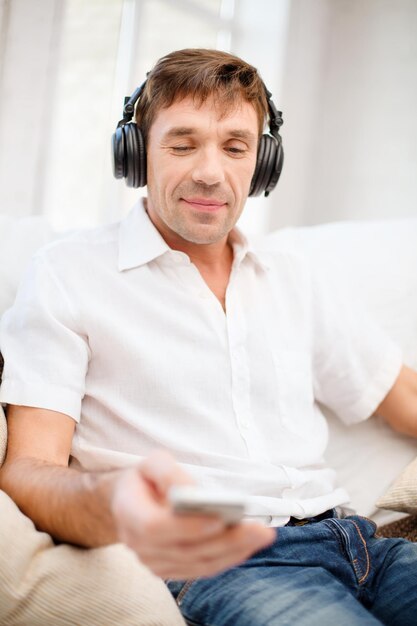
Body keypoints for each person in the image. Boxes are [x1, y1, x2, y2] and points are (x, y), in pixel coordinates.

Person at [0, 48, 416, 625]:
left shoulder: (291, 275)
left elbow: (405, 398)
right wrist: (107, 502)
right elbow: (27, 467)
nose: (210, 173)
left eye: (235, 147)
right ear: (137, 152)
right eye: (182, 143)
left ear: (262, 162)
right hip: (226, 561)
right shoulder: (69, 273)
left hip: (362, 542)